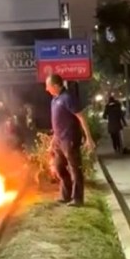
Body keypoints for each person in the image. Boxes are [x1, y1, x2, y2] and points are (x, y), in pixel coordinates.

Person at [45, 74, 95, 206]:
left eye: (48, 86)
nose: (46, 89)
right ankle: (66, 195)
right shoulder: (54, 100)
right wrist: (52, 142)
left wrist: (89, 138)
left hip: (70, 139)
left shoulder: (68, 98)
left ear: (56, 86)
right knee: (59, 167)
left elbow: (81, 117)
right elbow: (57, 124)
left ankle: (78, 199)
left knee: (75, 169)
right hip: (59, 141)